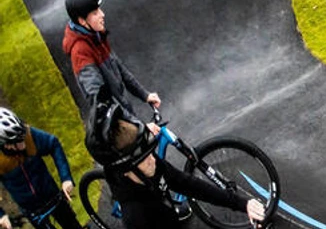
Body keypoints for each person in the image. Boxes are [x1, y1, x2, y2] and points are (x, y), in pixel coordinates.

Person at [84, 98, 265, 228]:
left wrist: (243, 204)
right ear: (124, 170)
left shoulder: (152, 168)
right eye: (144, 158)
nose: (153, 159)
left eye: (150, 152)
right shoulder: (136, 217)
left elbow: (190, 185)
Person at [61, 0, 161, 121]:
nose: (102, 14)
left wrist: (144, 95)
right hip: (119, 127)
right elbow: (102, 104)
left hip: (127, 117)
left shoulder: (94, 35)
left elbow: (119, 68)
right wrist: (139, 126)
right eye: (95, 13)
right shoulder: (81, 53)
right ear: (82, 21)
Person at [0, 109, 82, 229]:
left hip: (51, 195)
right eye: (18, 142)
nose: (24, 143)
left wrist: (66, 178)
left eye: (22, 137)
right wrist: (1, 215)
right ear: (6, 144)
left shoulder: (28, 135)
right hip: (31, 209)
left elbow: (53, 144)